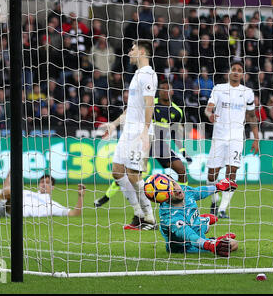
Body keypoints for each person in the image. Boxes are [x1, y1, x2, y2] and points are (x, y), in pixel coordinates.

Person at [94, 81, 192, 208]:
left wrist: (183, 151)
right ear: (159, 91)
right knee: (126, 173)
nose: (165, 91)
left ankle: (183, 200)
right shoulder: (150, 103)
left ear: (172, 91)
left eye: (168, 88)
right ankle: (106, 197)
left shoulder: (177, 111)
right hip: (143, 142)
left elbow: (175, 134)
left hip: (160, 146)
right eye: (163, 88)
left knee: (181, 170)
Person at [100, 40, 158, 230]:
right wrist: (114, 124)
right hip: (128, 130)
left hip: (140, 131)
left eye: (132, 49)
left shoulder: (148, 74)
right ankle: (138, 213)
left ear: (141, 51)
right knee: (117, 170)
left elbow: (150, 103)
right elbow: (132, 107)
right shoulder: (137, 74)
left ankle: (149, 217)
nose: (129, 53)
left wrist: (145, 130)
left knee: (134, 174)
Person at [204, 61, 259, 219]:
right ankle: (214, 201)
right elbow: (208, 108)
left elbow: (251, 116)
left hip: (236, 137)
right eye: (233, 69)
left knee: (232, 171)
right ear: (229, 72)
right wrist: (210, 115)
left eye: (239, 70)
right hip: (219, 136)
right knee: (211, 174)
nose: (236, 72)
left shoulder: (247, 92)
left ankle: (222, 209)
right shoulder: (219, 88)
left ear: (243, 74)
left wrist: (256, 138)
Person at [151, 174, 239, 257]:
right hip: (186, 247)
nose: (176, 189)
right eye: (171, 190)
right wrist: (209, 245)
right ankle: (214, 238)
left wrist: (218, 187)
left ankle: (204, 222)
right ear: (163, 197)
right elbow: (190, 236)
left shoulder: (185, 190)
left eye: (174, 184)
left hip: (193, 226)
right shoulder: (172, 218)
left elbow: (199, 192)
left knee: (210, 222)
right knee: (233, 243)